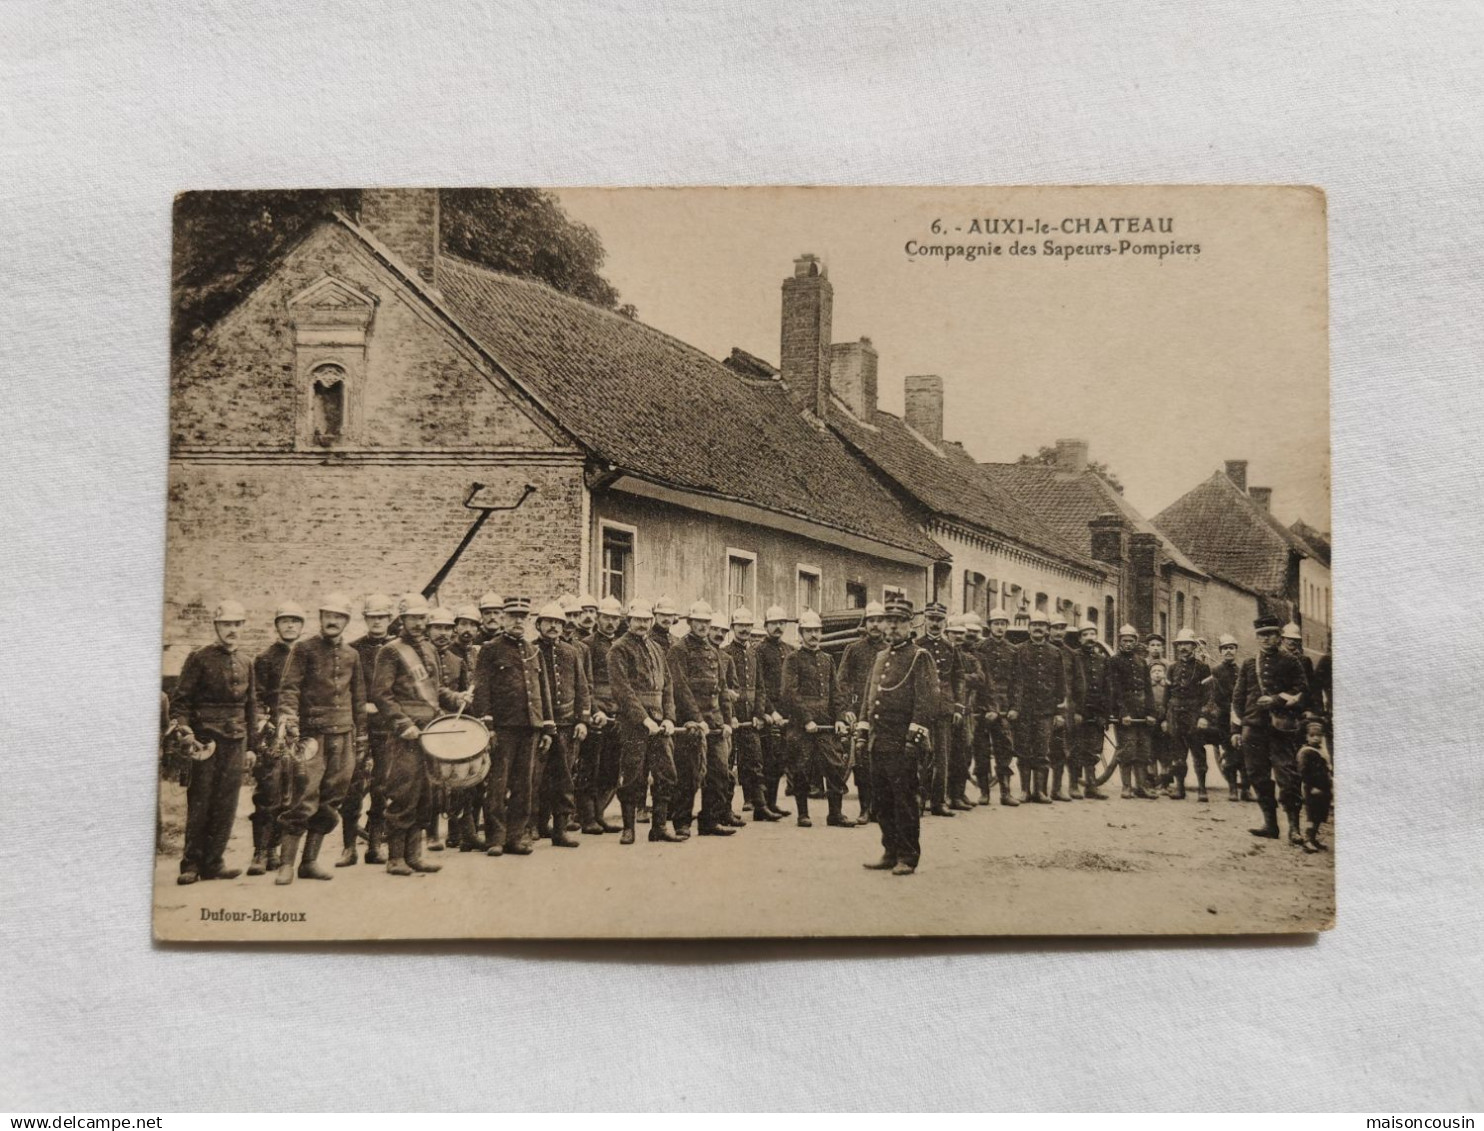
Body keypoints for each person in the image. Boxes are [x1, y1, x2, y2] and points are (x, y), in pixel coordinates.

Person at [273, 592, 368, 884]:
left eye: (339, 617)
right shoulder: (304, 649)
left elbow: (359, 697)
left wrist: (361, 734)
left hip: (344, 734)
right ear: (321, 618)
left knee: (332, 798)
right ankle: (286, 864)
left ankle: (309, 862)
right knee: (304, 796)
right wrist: (288, 718)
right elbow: (289, 689)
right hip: (312, 737)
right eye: (329, 616)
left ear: (346, 621)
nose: (333, 621)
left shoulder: (353, 655)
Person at [372, 594, 463, 876]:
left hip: (430, 731)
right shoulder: (390, 650)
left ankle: (415, 855)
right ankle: (396, 857)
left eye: (423, 618)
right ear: (402, 619)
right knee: (403, 792)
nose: (418, 623)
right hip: (406, 734)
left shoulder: (429, 648)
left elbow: (436, 691)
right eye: (413, 618)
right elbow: (382, 694)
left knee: (427, 794)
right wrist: (402, 724)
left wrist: (456, 697)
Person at [170, 600, 257, 884]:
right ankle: (191, 864)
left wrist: (252, 746)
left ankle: (214, 862)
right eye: (226, 624)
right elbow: (181, 701)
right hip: (206, 739)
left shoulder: (246, 662)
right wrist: (185, 731)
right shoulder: (199, 658)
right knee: (201, 800)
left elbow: (251, 707)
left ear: (242, 627)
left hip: (236, 739)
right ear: (216, 626)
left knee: (227, 802)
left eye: (237, 624)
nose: (232, 630)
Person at [470, 595, 555, 857]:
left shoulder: (533, 650)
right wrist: (488, 725)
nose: (518, 621)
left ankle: (516, 837)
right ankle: (495, 837)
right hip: (504, 728)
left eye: (523, 617)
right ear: (504, 618)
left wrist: (547, 726)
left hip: (530, 727)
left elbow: (543, 690)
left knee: (524, 785)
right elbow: (482, 690)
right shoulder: (490, 649)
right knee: (498, 784)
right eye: (513, 616)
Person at [858, 596, 936, 876]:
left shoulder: (919, 656)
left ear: (908, 625)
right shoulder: (880, 657)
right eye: (888, 622)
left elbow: (926, 701)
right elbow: (870, 698)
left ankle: (907, 855)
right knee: (881, 800)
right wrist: (863, 730)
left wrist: (913, 740)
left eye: (898, 622)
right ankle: (889, 851)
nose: (892, 627)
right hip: (879, 741)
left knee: (903, 800)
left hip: (901, 742)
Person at [607, 600, 682, 845]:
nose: (642, 624)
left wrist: (669, 717)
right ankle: (628, 829)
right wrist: (643, 719)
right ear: (628, 621)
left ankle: (659, 826)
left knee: (666, 774)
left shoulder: (657, 648)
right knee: (632, 775)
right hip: (633, 723)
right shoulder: (619, 649)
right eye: (637, 619)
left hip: (660, 722)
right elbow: (622, 690)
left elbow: (668, 686)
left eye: (646, 620)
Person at [1232, 615, 1308, 844]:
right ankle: (1270, 824)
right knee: (1257, 775)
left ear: (1278, 636)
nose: (1266, 639)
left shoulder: (1291, 661)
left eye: (1270, 634)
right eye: (1261, 635)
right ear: (1256, 638)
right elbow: (1238, 697)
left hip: (1280, 728)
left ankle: (1294, 828)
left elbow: (1302, 691)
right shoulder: (1248, 664)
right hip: (1253, 727)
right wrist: (1236, 729)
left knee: (1287, 775)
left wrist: (1276, 700)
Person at [668, 600, 739, 838]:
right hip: (691, 724)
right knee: (688, 775)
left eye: (706, 622)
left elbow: (722, 690)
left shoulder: (714, 653)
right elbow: (681, 688)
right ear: (690, 622)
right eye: (698, 621)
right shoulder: (679, 650)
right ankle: (682, 822)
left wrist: (727, 721)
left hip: (715, 722)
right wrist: (697, 719)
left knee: (719, 774)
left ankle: (709, 820)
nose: (702, 626)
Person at [780, 610, 856, 829]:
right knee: (802, 769)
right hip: (803, 725)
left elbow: (836, 692)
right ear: (801, 633)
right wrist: (806, 720)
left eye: (816, 631)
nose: (813, 635)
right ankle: (803, 814)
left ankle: (836, 814)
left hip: (826, 724)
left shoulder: (827, 659)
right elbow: (789, 693)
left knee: (834, 766)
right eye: (808, 631)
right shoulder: (793, 659)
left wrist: (840, 718)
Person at [247, 600, 304, 875]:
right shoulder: (265, 658)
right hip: (272, 734)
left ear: (302, 626)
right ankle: (261, 851)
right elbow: (255, 697)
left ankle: (278, 849)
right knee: (268, 791)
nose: (290, 625)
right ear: (277, 626)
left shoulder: (306, 656)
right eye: (285, 621)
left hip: (299, 733)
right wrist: (262, 725)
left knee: (292, 794)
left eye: (295, 621)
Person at [340, 592, 395, 866]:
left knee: (382, 786)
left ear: (389, 619)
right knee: (352, 785)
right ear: (366, 619)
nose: (377, 622)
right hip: (358, 725)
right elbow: (346, 687)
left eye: (382, 617)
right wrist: (362, 707)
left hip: (387, 726)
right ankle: (348, 847)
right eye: (372, 617)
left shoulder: (397, 649)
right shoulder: (353, 649)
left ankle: (375, 845)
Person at [533, 601, 589, 848]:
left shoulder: (571, 652)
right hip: (539, 725)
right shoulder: (531, 650)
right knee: (537, 776)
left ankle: (560, 829)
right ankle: (535, 825)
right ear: (538, 625)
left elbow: (582, 688)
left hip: (566, 725)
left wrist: (582, 720)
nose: (554, 626)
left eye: (558, 623)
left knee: (564, 776)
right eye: (549, 622)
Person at [576, 595, 625, 835]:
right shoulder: (587, 645)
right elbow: (585, 684)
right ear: (598, 618)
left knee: (611, 768)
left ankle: (599, 813)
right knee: (590, 768)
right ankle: (587, 818)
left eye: (615, 618)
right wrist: (595, 711)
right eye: (606, 617)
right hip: (598, 715)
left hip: (617, 714)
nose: (610, 623)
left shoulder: (622, 644)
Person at [1008, 610, 1065, 805]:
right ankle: (1024, 790)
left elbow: (1060, 685)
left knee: (1042, 750)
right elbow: (1014, 681)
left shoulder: (1055, 652)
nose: (1038, 628)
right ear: (1029, 628)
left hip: (1046, 711)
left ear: (1047, 630)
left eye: (1042, 625)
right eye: (1034, 625)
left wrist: (1058, 711)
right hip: (1024, 710)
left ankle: (1040, 791)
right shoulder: (1019, 650)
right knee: (1023, 749)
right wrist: (1015, 707)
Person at [838, 601, 888, 822]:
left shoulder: (890, 650)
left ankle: (881, 808)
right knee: (861, 759)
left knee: (884, 760)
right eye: (871, 621)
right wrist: (847, 708)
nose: (875, 625)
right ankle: (865, 808)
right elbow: (842, 682)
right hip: (860, 712)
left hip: (886, 714)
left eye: (879, 620)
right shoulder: (854, 649)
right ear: (865, 624)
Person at [444, 604, 486, 851]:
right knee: (456, 780)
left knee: (475, 778)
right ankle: (455, 832)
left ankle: (466, 831)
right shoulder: (449, 653)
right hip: (454, 720)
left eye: (473, 625)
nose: (468, 630)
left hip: (473, 720)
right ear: (456, 627)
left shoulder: (477, 654)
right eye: (464, 624)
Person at [916, 602, 964, 817]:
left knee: (942, 757)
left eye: (939, 620)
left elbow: (958, 678)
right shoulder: (917, 646)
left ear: (944, 622)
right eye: (931, 619)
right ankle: (919, 799)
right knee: (920, 755)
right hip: (921, 707)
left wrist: (958, 707)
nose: (935, 624)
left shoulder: (950, 648)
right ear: (925, 620)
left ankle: (939, 802)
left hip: (944, 708)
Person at [975, 608, 1021, 806]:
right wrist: (984, 708)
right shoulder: (980, 648)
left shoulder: (1013, 650)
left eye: (1003, 623)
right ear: (989, 626)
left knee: (1004, 750)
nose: (1000, 627)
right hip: (984, 708)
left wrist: (1014, 708)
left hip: (1004, 708)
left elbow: (1018, 682)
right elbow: (980, 682)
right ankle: (984, 792)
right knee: (981, 750)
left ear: (1007, 627)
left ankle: (1005, 792)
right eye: (996, 623)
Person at [708, 611, 748, 826]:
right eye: (715, 629)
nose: (719, 634)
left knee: (726, 769)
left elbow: (733, 688)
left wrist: (730, 715)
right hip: (705, 718)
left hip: (723, 719)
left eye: (723, 631)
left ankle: (725, 810)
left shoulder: (726, 658)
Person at [1108, 625, 1157, 799]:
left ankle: (1141, 786)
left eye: (1131, 641)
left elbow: (1148, 689)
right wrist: (1123, 713)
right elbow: (1115, 689)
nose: (1128, 644)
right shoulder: (1114, 661)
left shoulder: (1141, 661)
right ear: (1119, 641)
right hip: (1126, 713)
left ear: (1136, 642)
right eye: (1124, 641)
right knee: (1127, 749)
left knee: (1143, 749)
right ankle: (1126, 786)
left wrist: (1151, 713)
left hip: (1142, 711)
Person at [754, 604, 794, 818]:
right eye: (773, 623)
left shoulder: (789, 650)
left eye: (781, 623)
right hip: (770, 714)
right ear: (766, 625)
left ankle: (773, 803)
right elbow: (759, 684)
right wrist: (769, 710)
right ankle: (762, 807)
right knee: (767, 758)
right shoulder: (759, 651)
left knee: (780, 760)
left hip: (786, 714)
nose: (778, 627)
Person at [1165, 627, 1213, 801]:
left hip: (1194, 714)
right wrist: (1165, 718)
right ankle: (1179, 788)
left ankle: (1202, 789)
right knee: (1177, 752)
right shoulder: (1172, 668)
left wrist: (1203, 716)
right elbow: (1166, 695)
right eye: (1180, 644)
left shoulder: (1203, 668)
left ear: (1194, 646)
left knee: (1197, 751)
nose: (1183, 647)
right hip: (1175, 713)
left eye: (1187, 644)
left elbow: (1209, 696)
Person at [1204, 634, 1247, 802]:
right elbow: (1215, 695)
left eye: (1232, 648)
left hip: (1239, 715)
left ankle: (1245, 788)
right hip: (1223, 717)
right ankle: (1233, 789)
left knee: (1244, 751)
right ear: (1221, 652)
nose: (1229, 651)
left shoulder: (1241, 669)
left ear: (1236, 650)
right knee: (1229, 752)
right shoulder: (1216, 671)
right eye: (1225, 648)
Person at [947, 614, 984, 809]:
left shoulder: (970, 658)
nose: (958, 637)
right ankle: (943, 795)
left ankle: (959, 794)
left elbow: (980, 678)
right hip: (945, 711)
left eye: (962, 634)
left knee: (964, 754)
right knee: (943, 754)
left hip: (966, 712)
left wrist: (960, 677)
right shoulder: (942, 656)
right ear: (948, 634)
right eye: (955, 633)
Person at [1049, 613, 1086, 801]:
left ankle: (1073, 785)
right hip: (1050, 705)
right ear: (1049, 630)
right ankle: (1055, 788)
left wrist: (1078, 710)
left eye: (1062, 628)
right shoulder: (1046, 651)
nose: (1058, 632)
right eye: (1055, 628)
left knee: (1073, 747)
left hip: (1069, 706)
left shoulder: (1071, 654)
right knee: (1056, 747)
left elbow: (1080, 684)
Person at [1075, 625, 1110, 800]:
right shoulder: (1075, 657)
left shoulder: (1102, 660)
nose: (1090, 637)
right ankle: (1074, 786)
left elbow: (1107, 687)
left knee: (1095, 748)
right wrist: (1075, 710)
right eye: (1085, 634)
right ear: (1079, 639)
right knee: (1077, 747)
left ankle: (1091, 786)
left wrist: (1104, 713)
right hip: (1080, 710)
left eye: (1093, 634)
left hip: (1097, 711)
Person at [1296, 718, 1332, 854]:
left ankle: (1314, 838)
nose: (1316, 738)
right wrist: (1311, 786)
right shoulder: (1306, 752)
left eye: (1319, 736)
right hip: (1312, 789)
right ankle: (1308, 840)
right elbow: (1304, 773)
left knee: (1320, 814)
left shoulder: (1322, 750)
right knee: (1312, 814)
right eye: (1312, 736)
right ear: (1306, 736)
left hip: (1323, 788)